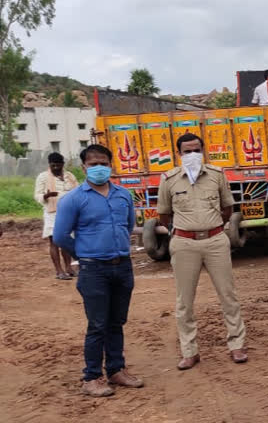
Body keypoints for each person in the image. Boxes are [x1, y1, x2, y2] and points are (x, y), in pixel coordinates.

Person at [54, 144, 143, 397]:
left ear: (111, 165)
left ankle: (116, 370)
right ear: (83, 168)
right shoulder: (73, 199)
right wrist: (84, 253)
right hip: (94, 270)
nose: (99, 168)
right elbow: (60, 235)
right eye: (93, 164)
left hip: (122, 267)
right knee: (97, 324)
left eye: (103, 163)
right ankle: (92, 377)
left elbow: (128, 226)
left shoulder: (123, 195)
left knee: (117, 321)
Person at [157, 133, 247, 370]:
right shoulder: (169, 179)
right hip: (184, 243)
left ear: (203, 150)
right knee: (184, 301)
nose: (192, 155)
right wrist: (183, 231)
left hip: (216, 240)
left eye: (196, 150)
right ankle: (189, 351)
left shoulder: (217, 176)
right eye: (187, 151)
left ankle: (236, 345)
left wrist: (212, 225)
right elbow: (164, 215)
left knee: (228, 295)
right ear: (179, 154)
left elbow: (228, 208)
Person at [35, 152, 78, 280]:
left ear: (62, 164)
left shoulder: (69, 176)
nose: (56, 168)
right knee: (54, 241)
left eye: (58, 165)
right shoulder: (43, 177)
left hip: (69, 212)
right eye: (53, 166)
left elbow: (78, 190)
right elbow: (37, 195)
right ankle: (59, 271)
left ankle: (69, 268)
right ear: (49, 165)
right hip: (52, 213)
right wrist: (46, 196)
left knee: (66, 241)